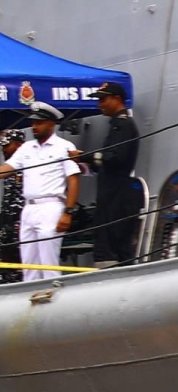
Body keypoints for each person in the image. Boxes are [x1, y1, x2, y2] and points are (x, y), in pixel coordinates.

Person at [0, 103, 80, 281]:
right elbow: (9, 167)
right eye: (33, 122)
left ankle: (51, 297)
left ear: (51, 124)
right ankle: (31, 299)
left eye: (39, 123)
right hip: (29, 208)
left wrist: (68, 212)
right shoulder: (26, 148)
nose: (34, 126)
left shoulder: (63, 146)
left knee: (48, 262)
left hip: (51, 206)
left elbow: (73, 179)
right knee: (28, 263)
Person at [76, 82, 141, 268]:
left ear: (117, 99)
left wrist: (84, 157)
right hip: (111, 195)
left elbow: (115, 158)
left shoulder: (123, 125)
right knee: (111, 244)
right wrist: (86, 163)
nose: (100, 104)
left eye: (103, 99)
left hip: (117, 197)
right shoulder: (116, 126)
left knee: (111, 244)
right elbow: (107, 162)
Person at [0, 129, 26, 282]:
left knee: (22, 268)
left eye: (6, 146)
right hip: (7, 226)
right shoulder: (9, 170)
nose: (3, 150)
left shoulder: (29, 166)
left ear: (17, 145)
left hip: (22, 227)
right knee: (5, 270)